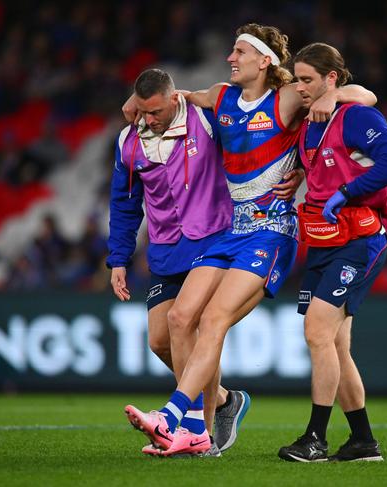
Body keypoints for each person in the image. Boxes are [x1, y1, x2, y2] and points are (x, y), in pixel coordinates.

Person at [123, 24, 377, 457]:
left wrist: (334, 95)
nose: (230, 58)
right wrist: (134, 100)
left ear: (264, 60)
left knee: (213, 320)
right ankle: (203, 422)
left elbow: (365, 97)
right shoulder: (220, 96)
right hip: (229, 229)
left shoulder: (287, 98)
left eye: (239, 51)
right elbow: (173, 97)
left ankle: (179, 421)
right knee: (181, 318)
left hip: (271, 228)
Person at [107, 68, 302, 455]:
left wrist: (294, 169)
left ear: (174, 98)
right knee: (160, 341)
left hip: (214, 239)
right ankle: (227, 400)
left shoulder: (205, 119)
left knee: (187, 322)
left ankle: (200, 433)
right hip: (164, 251)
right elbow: (124, 204)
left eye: (157, 111)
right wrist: (118, 259)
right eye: (143, 112)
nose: (150, 120)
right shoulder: (129, 142)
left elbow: (255, 126)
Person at [277, 42, 387, 463]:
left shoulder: (355, 115)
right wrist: (303, 172)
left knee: (316, 332)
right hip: (324, 239)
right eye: (296, 78)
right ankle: (363, 441)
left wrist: (348, 191)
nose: (299, 87)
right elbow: (327, 162)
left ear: (332, 79)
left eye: (308, 79)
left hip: (360, 238)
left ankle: (315, 438)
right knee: (335, 345)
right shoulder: (309, 122)